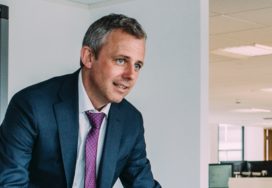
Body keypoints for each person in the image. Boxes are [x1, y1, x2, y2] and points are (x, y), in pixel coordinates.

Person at [0, 13, 161, 188]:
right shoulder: (31, 105)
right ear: (88, 57)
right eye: (121, 60)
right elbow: (10, 183)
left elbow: (142, 183)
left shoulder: (131, 120)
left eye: (137, 65)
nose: (131, 75)